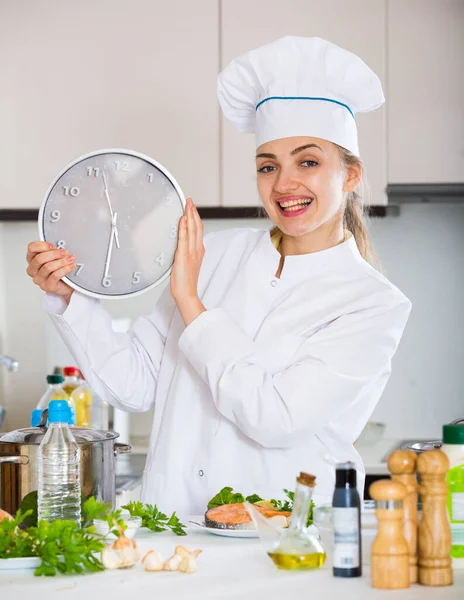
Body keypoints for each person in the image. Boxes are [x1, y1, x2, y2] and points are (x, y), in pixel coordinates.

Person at [26, 37, 411, 516]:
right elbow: (134, 386)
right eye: (268, 166)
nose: (284, 184)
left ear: (350, 175)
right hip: (172, 531)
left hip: (277, 538)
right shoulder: (216, 253)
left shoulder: (372, 303)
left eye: (308, 162)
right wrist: (71, 299)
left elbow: (277, 418)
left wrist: (190, 300)